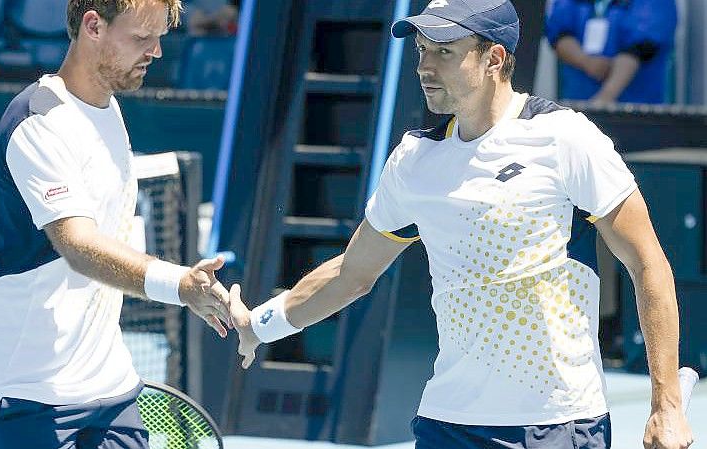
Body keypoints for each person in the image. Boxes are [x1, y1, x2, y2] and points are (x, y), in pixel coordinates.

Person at [228, 1, 693, 448]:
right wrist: (260, 325)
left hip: (554, 425)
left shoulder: (565, 138)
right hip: (446, 424)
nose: (425, 67)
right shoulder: (414, 160)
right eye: (421, 52)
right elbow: (352, 272)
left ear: (493, 58)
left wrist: (666, 406)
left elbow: (647, 263)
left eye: (444, 52)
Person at [0, 1, 231, 448]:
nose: (157, 52)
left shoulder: (108, 110)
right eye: (142, 38)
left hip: (110, 384)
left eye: (160, 38)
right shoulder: (39, 119)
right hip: (26, 390)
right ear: (93, 26)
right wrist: (180, 285)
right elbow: (78, 245)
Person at [545, 0, 678, 104]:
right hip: (576, 106)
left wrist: (604, 99)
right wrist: (585, 61)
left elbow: (642, 47)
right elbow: (558, 32)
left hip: (634, 115)